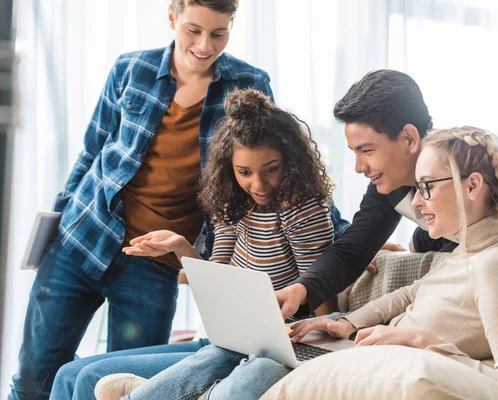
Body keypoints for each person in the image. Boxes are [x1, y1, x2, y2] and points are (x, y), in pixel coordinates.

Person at [10, 1, 349, 399]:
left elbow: (280, 158)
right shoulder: (130, 69)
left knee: (118, 383)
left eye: (218, 33)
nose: (205, 45)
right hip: (84, 238)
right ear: (172, 18)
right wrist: (52, 231)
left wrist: (346, 238)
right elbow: (91, 152)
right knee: (35, 377)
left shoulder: (247, 83)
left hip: (154, 265)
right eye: (193, 30)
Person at [98, 126, 498, 400]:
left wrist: (418, 338)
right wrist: (345, 323)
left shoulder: (493, 265)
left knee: (266, 363)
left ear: (471, 187)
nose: (418, 200)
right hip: (364, 343)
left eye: (428, 186)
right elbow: (409, 294)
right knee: (256, 345)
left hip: (390, 358)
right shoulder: (465, 253)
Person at [50, 88, 337, 400]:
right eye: (244, 172)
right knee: (69, 375)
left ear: (290, 162)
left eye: (271, 169)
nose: (258, 184)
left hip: (271, 346)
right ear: (230, 168)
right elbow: (218, 281)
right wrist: (180, 247)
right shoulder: (232, 202)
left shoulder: (302, 210)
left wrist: (320, 340)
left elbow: (320, 292)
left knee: (91, 377)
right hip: (227, 338)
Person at [275, 69, 498, 321]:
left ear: (409, 138)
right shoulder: (391, 182)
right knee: (428, 236)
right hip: (484, 234)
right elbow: (350, 251)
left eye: (366, 150)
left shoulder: (476, 163)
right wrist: (301, 289)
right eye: (354, 153)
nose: (359, 166)